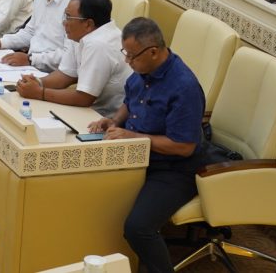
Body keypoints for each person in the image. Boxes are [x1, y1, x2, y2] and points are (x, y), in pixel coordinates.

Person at [88, 17, 206, 273]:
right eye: (125, 54)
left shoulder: (184, 87)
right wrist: (113, 121)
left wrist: (133, 137)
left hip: (172, 168)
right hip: (136, 154)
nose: (127, 62)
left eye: (132, 56)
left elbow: (184, 146)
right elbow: (130, 101)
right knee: (89, 191)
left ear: (153, 52)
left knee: (138, 227)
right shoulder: (143, 70)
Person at [15, 0, 130, 116]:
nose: (64, 22)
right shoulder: (80, 33)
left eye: (69, 17)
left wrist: (39, 93)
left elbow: (84, 98)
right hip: (89, 109)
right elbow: (66, 75)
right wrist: (37, 82)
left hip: (106, 117)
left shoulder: (99, 44)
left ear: (88, 24)